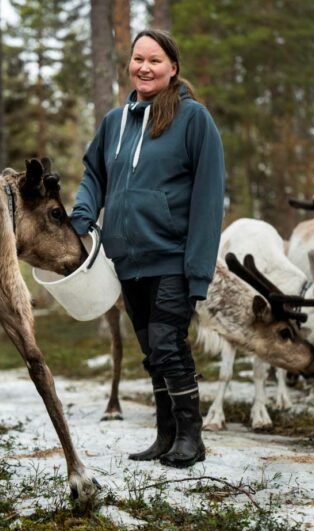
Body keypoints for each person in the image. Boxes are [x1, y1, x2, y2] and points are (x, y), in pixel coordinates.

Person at [70, 29, 225, 468]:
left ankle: (191, 438)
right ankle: (166, 435)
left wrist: (198, 270)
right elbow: (94, 174)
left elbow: (209, 200)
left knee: (167, 343)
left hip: (173, 257)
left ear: (172, 67)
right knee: (152, 350)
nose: (144, 67)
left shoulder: (195, 121)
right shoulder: (115, 122)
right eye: (138, 58)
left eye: (154, 60)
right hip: (128, 259)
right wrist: (83, 215)